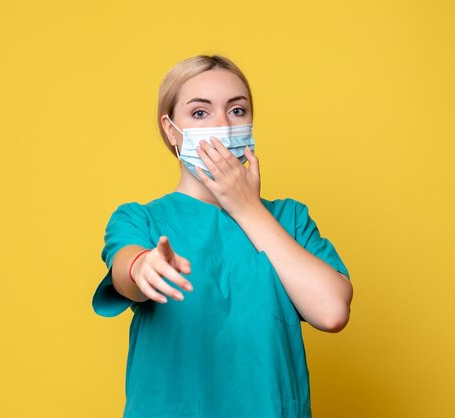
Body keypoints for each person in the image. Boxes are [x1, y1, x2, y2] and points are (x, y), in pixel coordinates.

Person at [92, 55, 353, 418]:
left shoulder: (289, 219)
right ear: (171, 130)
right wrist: (142, 267)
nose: (222, 125)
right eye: (200, 113)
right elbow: (125, 271)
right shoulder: (143, 219)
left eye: (237, 110)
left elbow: (332, 311)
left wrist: (247, 209)